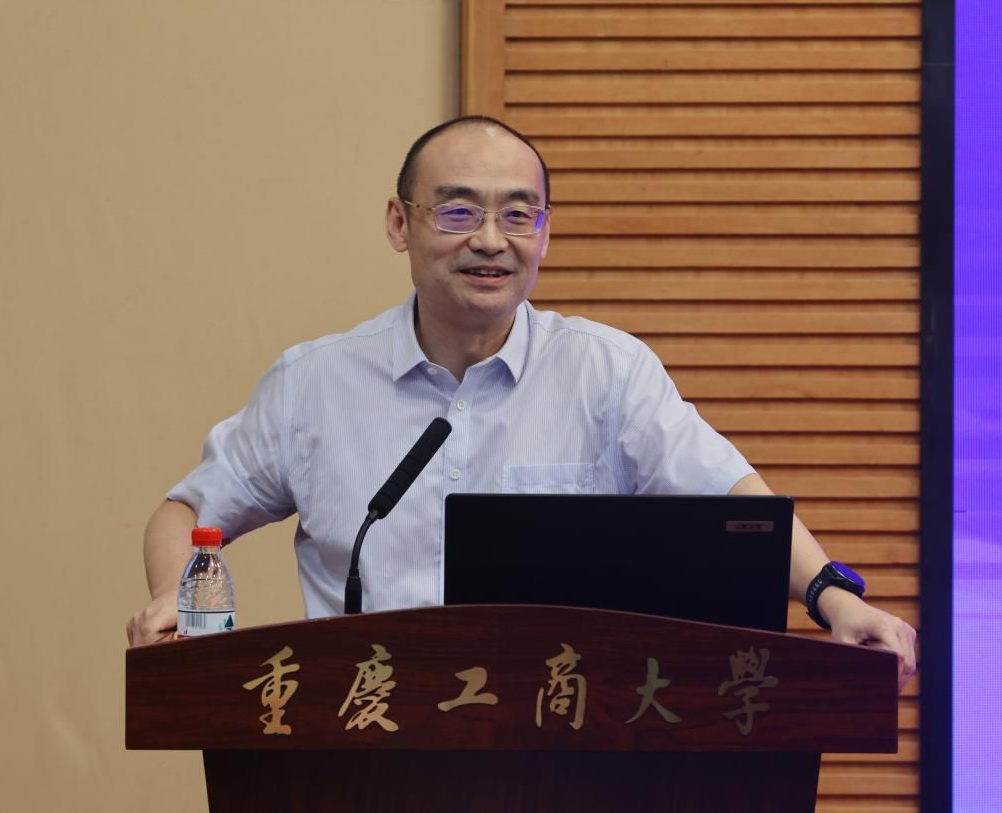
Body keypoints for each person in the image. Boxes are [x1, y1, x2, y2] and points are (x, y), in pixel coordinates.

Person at [126, 115, 917, 691]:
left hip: (564, 741)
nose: (490, 240)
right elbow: (185, 512)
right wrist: (172, 598)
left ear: (544, 233)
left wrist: (833, 597)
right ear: (400, 223)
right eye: (458, 211)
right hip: (365, 736)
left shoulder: (606, 374)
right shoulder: (314, 385)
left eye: (517, 215)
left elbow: (735, 497)